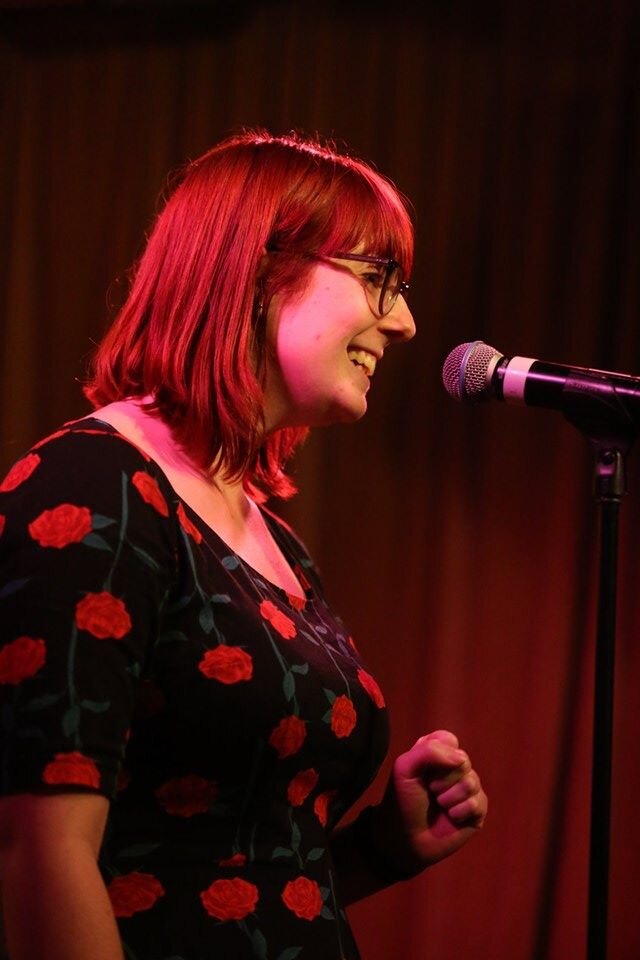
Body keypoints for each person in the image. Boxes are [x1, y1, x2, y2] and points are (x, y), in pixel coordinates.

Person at [0, 130, 487, 960]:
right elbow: (38, 855)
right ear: (256, 271)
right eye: (379, 280)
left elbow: (231, 885)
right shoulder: (93, 484)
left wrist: (382, 850)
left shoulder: (275, 542)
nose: (402, 322)